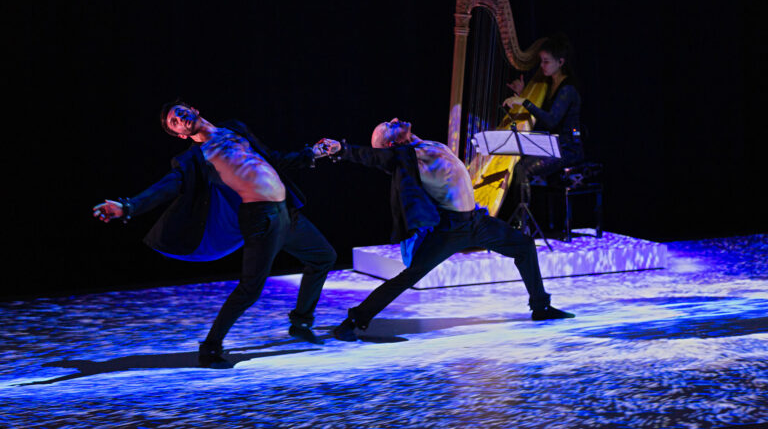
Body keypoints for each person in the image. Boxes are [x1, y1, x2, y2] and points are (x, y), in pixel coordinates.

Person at [93, 101, 340, 368]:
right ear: (180, 135)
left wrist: (312, 153)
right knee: (250, 290)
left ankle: (301, 322)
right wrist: (128, 206)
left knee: (323, 257)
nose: (179, 118)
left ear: (193, 109)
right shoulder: (194, 158)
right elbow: (167, 186)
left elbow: (274, 158)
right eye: (174, 121)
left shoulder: (235, 128)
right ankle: (210, 348)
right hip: (260, 219)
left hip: (286, 212)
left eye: (180, 111)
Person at [329, 118, 574, 341]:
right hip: (451, 228)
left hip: (475, 221)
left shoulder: (426, 144)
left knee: (524, 246)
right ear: (394, 142)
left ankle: (540, 307)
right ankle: (353, 321)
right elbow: (376, 158)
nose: (395, 120)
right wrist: (343, 150)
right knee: (410, 275)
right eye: (389, 125)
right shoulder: (406, 156)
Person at [502, 34, 585, 223]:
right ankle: (521, 221)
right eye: (541, 61)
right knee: (518, 161)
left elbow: (551, 120)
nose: (542, 66)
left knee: (522, 168)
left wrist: (525, 101)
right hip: (554, 145)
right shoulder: (549, 83)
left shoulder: (567, 90)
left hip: (569, 149)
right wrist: (523, 93)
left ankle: (523, 223)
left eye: (546, 62)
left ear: (561, 62)